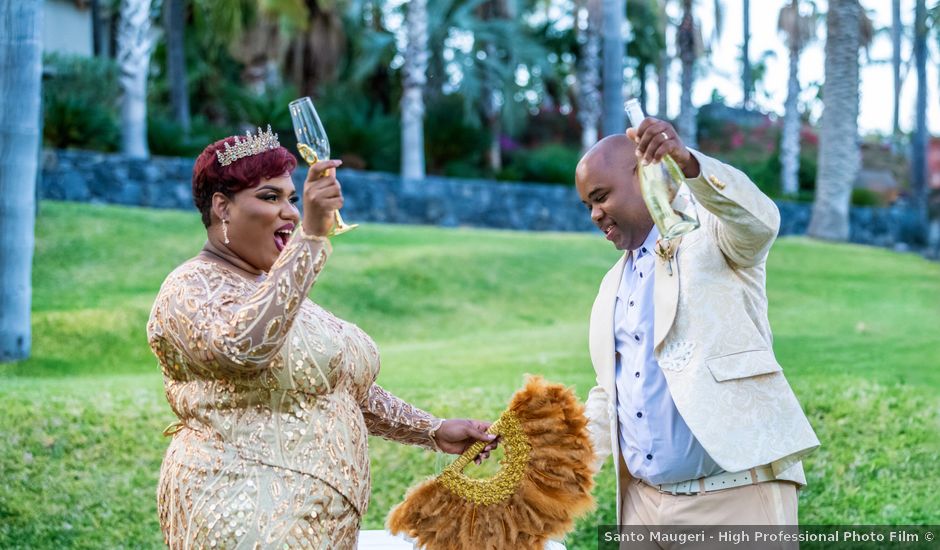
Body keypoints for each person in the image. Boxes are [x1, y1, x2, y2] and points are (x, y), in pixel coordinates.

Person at [147, 128, 497, 549]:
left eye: (292, 199)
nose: (291, 213)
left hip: (319, 527)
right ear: (222, 207)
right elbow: (242, 349)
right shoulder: (189, 287)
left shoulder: (278, 289)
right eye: (270, 197)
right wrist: (311, 237)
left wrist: (433, 430)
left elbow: (339, 387)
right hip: (241, 520)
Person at [575, 119, 820, 533]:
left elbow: (760, 222)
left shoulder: (712, 234)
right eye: (588, 206)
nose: (596, 214)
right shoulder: (612, 284)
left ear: (643, 174)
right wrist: (556, 460)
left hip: (735, 498)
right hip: (642, 510)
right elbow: (612, 388)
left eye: (601, 197)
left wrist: (688, 164)